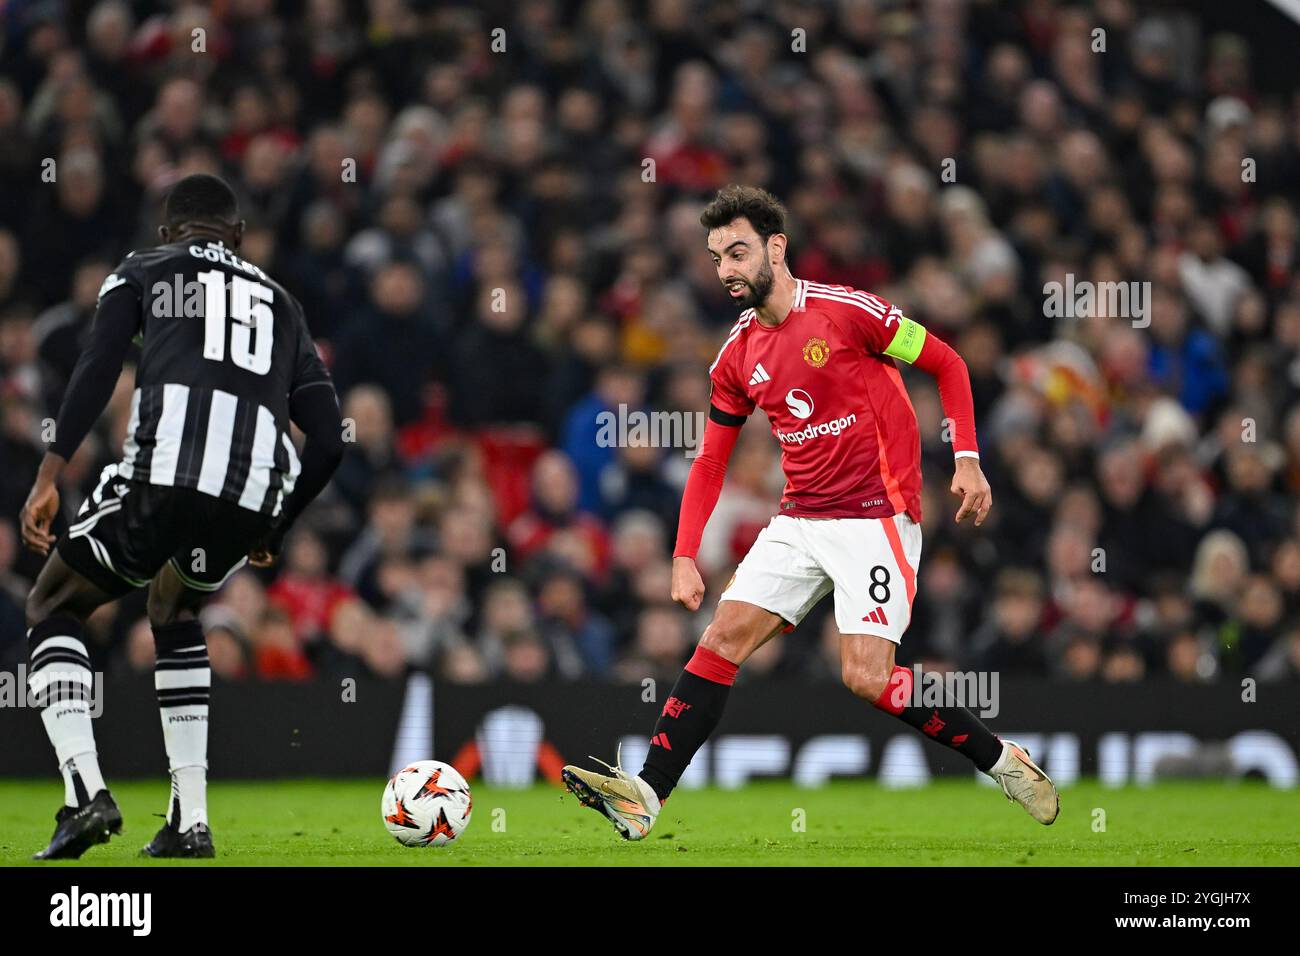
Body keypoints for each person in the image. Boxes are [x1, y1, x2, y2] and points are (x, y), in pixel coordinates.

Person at [563, 185, 1059, 839]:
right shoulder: (736, 355)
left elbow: (948, 362)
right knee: (720, 640)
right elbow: (711, 461)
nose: (727, 270)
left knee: (865, 677)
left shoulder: (849, 313)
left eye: (737, 252)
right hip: (800, 519)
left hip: (877, 517)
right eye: (716, 259)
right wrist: (684, 555)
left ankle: (1000, 760)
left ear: (776, 246)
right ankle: (646, 796)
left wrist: (966, 458)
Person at [19, 174, 344, 859]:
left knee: (52, 601)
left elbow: (100, 361)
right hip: (251, 492)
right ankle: (190, 821)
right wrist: (275, 528)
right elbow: (331, 433)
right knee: (173, 608)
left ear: (168, 232)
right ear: (238, 238)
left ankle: (84, 795)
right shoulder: (283, 303)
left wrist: (51, 471)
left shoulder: (144, 269)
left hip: (166, 475)